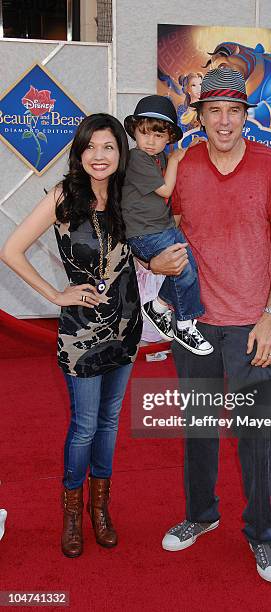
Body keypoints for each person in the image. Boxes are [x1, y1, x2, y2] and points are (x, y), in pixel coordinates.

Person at [148, 68, 271, 583]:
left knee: (256, 435)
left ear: (245, 115)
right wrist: (156, 262)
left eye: (235, 110)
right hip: (194, 322)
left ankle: (262, 534)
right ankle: (200, 515)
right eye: (214, 110)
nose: (225, 120)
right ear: (201, 116)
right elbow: (156, 226)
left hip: (251, 324)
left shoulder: (270, 164)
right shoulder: (184, 164)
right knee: (199, 430)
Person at [0, 114, 142, 558]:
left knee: (110, 422)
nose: (99, 156)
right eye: (90, 147)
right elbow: (10, 250)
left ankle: (100, 510)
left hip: (126, 327)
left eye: (109, 147)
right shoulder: (63, 196)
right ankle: (72, 513)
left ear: (121, 153)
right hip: (80, 334)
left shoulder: (129, 197)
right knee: (83, 427)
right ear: (79, 153)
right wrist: (56, 294)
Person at [123, 95, 213, 356]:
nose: (150, 141)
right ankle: (184, 323)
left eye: (159, 135)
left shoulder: (159, 156)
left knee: (190, 265)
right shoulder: (138, 158)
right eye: (144, 133)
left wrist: (188, 148)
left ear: (168, 137)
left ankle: (159, 306)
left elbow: (176, 158)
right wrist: (175, 160)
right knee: (184, 269)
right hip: (145, 233)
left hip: (161, 228)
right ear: (135, 133)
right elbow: (165, 190)